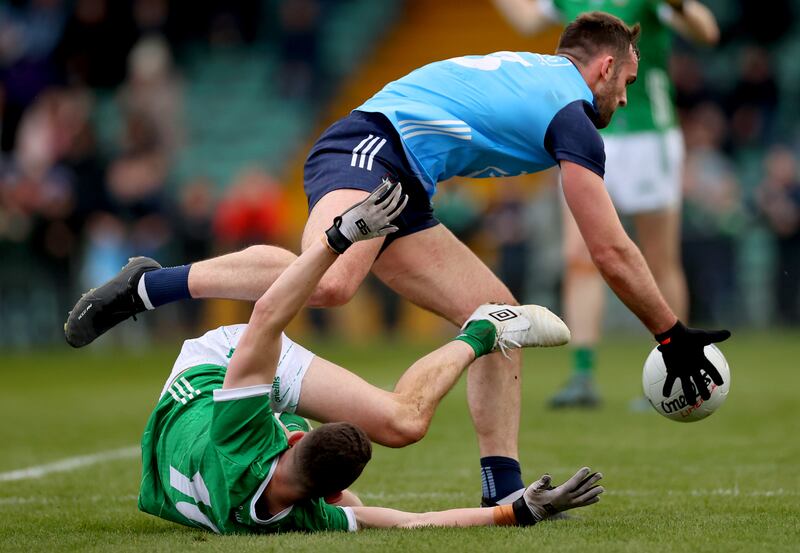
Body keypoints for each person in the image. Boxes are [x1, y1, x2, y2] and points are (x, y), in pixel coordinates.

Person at [66, 12, 729, 507]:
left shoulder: (547, 85)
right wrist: (671, 335)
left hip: (407, 175)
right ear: (605, 67)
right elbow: (610, 250)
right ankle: (149, 285)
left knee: (498, 318)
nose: (626, 97)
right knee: (332, 280)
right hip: (372, 145)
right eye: (628, 80)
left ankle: (501, 493)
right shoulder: (574, 113)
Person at [111, 183, 602, 533]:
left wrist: (337, 239)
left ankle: (152, 285)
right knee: (402, 424)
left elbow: (266, 317)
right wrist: (515, 513)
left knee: (331, 302)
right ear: (329, 497)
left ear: (290, 430)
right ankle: (484, 330)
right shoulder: (307, 516)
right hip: (193, 435)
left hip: (209, 375)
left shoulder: (242, 435)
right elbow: (411, 524)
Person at [491, 0, 719, 408]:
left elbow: (706, 31)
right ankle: (582, 374)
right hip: (588, 127)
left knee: (659, 259)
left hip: (651, 136)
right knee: (579, 256)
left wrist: (682, 6)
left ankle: (674, 367)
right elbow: (526, 19)